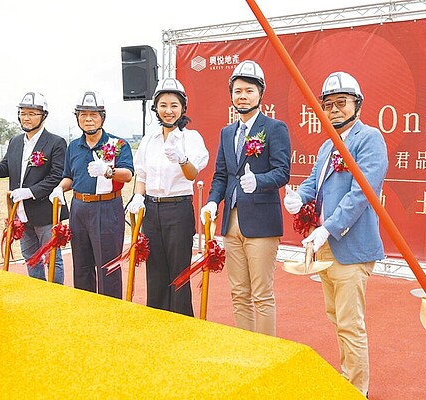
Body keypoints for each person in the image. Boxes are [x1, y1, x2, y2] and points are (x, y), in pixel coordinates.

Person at [283, 71, 388, 397]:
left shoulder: (369, 139)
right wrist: (299, 196)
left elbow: (362, 193)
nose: (334, 110)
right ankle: (349, 380)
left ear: (357, 104)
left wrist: (327, 228)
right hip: (325, 245)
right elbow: (315, 182)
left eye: (341, 103)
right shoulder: (328, 144)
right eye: (328, 105)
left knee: (350, 323)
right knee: (337, 317)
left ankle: (356, 390)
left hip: (351, 246)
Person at [200, 60, 291, 335]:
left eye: (249, 90)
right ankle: (247, 350)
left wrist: (259, 181)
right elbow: (220, 175)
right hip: (231, 222)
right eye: (238, 90)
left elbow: (283, 172)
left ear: (260, 93)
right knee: (239, 293)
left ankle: (265, 355)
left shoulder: (275, 128)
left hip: (262, 222)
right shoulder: (227, 133)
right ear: (231, 95)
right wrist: (213, 201)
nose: (243, 96)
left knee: (262, 294)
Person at [127, 78, 209, 316]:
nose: (168, 110)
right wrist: (138, 197)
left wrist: (182, 159)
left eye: (174, 105)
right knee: (155, 269)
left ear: (183, 108)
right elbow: (141, 175)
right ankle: (157, 320)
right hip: (152, 210)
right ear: (156, 108)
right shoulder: (148, 140)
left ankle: (183, 322)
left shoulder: (191, 138)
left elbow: (193, 174)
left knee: (179, 270)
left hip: (178, 208)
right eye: (163, 105)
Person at [49, 91, 133, 299]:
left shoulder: (117, 144)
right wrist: (60, 188)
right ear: (77, 118)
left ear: (102, 117)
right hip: (79, 208)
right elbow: (69, 176)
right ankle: (85, 311)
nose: (88, 119)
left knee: (108, 266)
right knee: (82, 264)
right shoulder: (73, 147)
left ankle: (110, 312)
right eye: (83, 115)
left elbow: (128, 175)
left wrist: (108, 171)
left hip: (107, 208)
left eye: (93, 115)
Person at [0, 91, 68, 284]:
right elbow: (6, 167)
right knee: (30, 256)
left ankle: (55, 294)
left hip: (44, 210)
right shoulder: (15, 141)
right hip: (20, 211)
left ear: (43, 116)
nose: (26, 117)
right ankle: (37, 291)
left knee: (51, 257)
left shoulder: (56, 142)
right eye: (23, 113)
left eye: (32, 113)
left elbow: (57, 176)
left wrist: (31, 192)